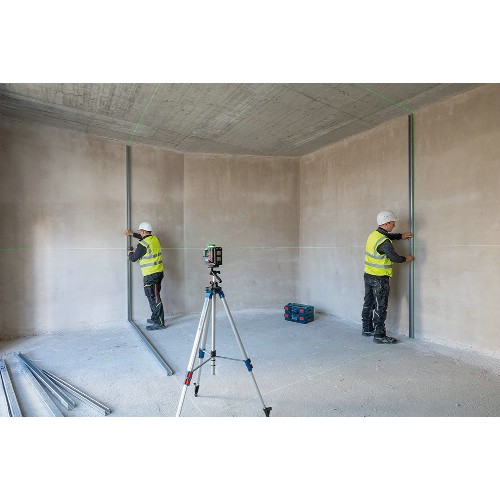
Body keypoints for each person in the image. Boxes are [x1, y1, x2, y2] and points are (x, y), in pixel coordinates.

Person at [362, 210, 414, 344]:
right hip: (379, 278)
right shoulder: (384, 242)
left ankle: (367, 329)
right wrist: (406, 258)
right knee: (381, 306)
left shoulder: (373, 235)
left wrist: (400, 236)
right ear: (386, 223)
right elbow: (394, 257)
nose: (394, 225)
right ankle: (379, 335)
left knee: (369, 302)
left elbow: (387, 236)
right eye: (392, 223)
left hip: (368, 274)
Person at [124, 222, 166, 330]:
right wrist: (132, 234)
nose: (140, 233)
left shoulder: (143, 245)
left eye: (140, 231)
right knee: (153, 296)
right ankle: (155, 317)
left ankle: (160, 323)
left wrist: (130, 252)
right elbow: (143, 238)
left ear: (142, 231)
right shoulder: (155, 239)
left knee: (154, 298)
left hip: (151, 275)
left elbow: (133, 258)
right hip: (158, 272)